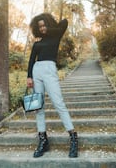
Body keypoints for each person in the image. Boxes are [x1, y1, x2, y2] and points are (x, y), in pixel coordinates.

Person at [27, 13, 78, 158]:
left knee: (58, 103)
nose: (42, 28)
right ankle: (43, 141)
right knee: (39, 107)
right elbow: (31, 60)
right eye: (40, 26)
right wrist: (29, 77)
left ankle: (73, 138)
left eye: (44, 25)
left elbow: (65, 21)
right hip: (37, 72)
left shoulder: (56, 36)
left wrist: (49, 28)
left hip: (50, 70)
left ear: (48, 24)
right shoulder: (37, 43)